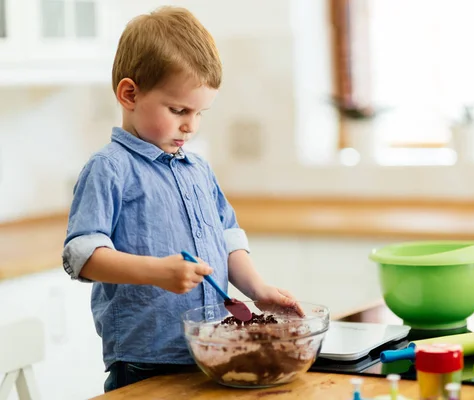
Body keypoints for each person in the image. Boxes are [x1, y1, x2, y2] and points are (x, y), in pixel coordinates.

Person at [62, 6, 299, 392]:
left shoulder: (198, 169)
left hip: (210, 351)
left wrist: (257, 290)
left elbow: (227, 236)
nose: (191, 125)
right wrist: (158, 272)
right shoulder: (109, 168)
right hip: (145, 361)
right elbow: (81, 256)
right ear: (129, 94)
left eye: (200, 112)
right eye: (178, 110)